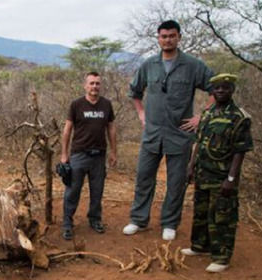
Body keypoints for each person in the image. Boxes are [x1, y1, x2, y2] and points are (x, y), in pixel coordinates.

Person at [123, 20, 214, 241]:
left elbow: (216, 88)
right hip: (152, 133)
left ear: (179, 37)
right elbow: (135, 91)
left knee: (176, 181)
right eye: (163, 36)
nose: (167, 40)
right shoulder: (149, 64)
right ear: (158, 38)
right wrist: (141, 113)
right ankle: (138, 219)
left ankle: (170, 223)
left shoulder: (193, 65)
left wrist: (200, 116)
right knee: (144, 177)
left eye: (172, 36)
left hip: (179, 134)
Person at [182, 73, 253, 273]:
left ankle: (221, 257)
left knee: (222, 215)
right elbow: (199, 142)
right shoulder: (208, 113)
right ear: (212, 91)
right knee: (201, 212)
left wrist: (231, 179)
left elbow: (240, 151)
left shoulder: (238, 117)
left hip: (222, 176)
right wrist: (191, 166)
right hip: (203, 173)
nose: (221, 91)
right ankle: (200, 246)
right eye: (217, 88)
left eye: (225, 88)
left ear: (232, 90)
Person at [60, 71, 117, 240]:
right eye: (91, 83)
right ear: (85, 85)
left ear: (100, 86)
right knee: (73, 190)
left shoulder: (106, 105)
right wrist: (64, 154)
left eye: (97, 83)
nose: (94, 86)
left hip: (99, 155)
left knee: (97, 190)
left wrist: (114, 151)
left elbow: (111, 128)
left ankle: (95, 219)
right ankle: (67, 223)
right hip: (79, 154)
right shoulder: (76, 105)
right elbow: (67, 130)